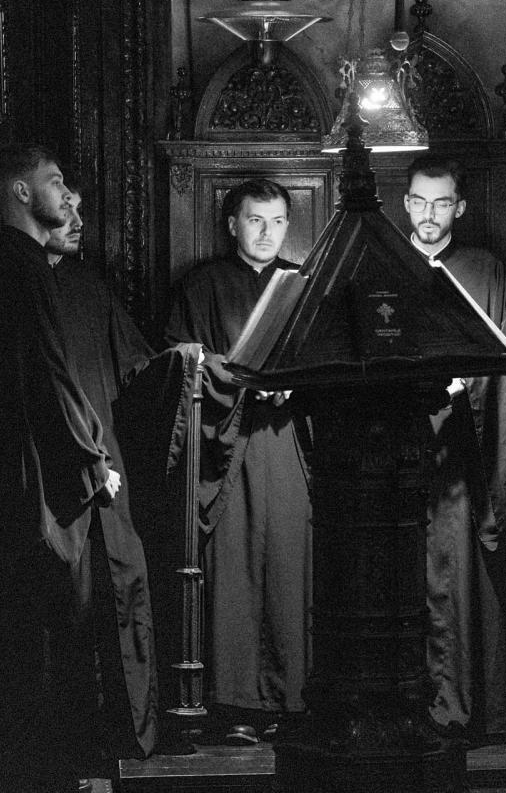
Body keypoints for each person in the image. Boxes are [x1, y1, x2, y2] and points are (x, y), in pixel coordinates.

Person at [0, 145, 159, 791]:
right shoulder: (22, 269)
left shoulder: (9, 266)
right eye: (56, 183)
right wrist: (91, 461)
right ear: (19, 192)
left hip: (14, 477)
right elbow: (48, 377)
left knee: (34, 630)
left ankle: (42, 770)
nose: (70, 197)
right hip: (33, 480)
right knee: (47, 626)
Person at [163, 178, 311, 745]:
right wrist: (243, 379)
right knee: (235, 569)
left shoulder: (303, 284)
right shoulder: (201, 286)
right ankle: (236, 705)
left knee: (290, 567)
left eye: (277, 222)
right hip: (229, 447)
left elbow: (329, 355)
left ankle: (291, 700)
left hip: (289, 441)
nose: (267, 233)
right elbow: (180, 359)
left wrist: (294, 382)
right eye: (255, 220)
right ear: (232, 225)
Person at [403, 155, 506, 743]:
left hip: (467, 453)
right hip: (401, 447)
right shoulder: (387, 263)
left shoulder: (485, 269)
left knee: (462, 579)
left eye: (441, 203)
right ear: (406, 204)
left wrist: (468, 381)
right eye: (419, 202)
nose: (429, 215)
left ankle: (469, 709)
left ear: (459, 207)